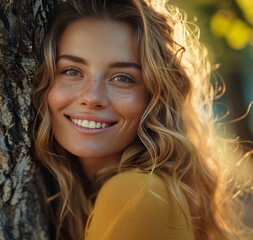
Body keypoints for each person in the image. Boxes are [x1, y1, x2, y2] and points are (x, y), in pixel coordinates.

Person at [32, 0, 253, 239]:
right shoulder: (94, 194)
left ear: (155, 96)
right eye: (72, 71)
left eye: (122, 78)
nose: (92, 97)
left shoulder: (136, 195)